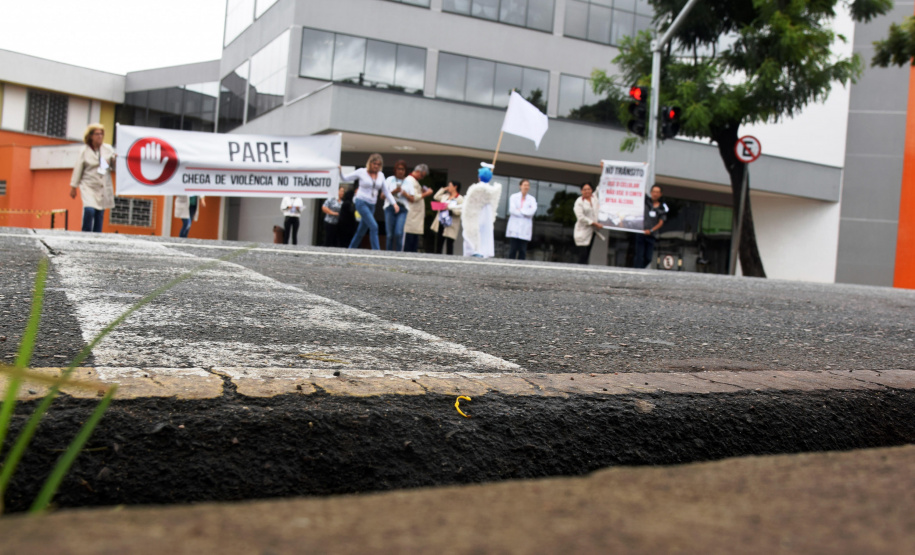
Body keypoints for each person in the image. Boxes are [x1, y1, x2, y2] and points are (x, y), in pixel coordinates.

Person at [341, 153, 398, 250]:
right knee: (374, 226)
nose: (376, 166)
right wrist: (339, 170)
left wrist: (394, 203)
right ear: (370, 163)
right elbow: (345, 178)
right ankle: (376, 251)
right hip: (361, 202)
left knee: (361, 230)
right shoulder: (362, 172)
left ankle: (351, 248)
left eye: (378, 164)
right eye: (374, 163)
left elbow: (386, 191)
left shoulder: (381, 175)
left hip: (372, 204)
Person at [69, 123, 116, 232]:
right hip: (89, 185)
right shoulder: (84, 150)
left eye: (101, 134)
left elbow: (113, 167)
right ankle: (85, 233)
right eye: (97, 134)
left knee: (99, 214)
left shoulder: (108, 149)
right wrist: (73, 186)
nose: (100, 136)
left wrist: (114, 160)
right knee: (90, 210)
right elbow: (78, 168)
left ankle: (97, 237)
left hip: (103, 185)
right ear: (90, 136)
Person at [462, 164, 502, 258]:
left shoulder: (476, 188)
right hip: (487, 216)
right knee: (485, 233)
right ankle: (484, 252)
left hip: (476, 215)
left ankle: (473, 250)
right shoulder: (493, 190)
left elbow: (468, 203)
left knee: (473, 232)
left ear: (479, 177)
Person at [633, 184, 669, 268]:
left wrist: (651, 230)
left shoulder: (662, 207)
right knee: (639, 255)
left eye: (657, 192)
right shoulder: (645, 202)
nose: (655, 194)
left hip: (651, 235)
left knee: (648, 257)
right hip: (641, 232)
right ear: (651, 192)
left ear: (660, 194)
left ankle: (640, 269)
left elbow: (661, 222)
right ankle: (636, 271)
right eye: (653, 192)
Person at [505, 179, 538, 260]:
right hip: (514, 228)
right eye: (524, 185)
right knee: (512, 250)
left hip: (525, 229)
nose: (526, 187)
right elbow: (512, 210)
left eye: (528, 185)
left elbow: (532, 211)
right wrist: (525, 212)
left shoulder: (532, 199)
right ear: (520, 186)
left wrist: (520, 210)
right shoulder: (513, 197)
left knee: (522, 251)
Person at [402, 164, 432, 253]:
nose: (422, 178)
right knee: (409, 241)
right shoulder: (409, 180)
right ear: (418, 171)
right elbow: (413, 197)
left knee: (414, 241)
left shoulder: (414, 181)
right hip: (411, 216)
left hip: (415, 216)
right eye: (422, 175)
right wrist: (426, 194)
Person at [573, 181, 603, 264]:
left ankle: (584, 272)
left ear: (591, 190)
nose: (587, 191)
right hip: (582, 231)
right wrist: (594, 223)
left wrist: (604, 170)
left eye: (589, 189)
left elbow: (601, 186)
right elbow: (580, 217)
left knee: (587, 253)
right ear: (581, 191)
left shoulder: (594, 198)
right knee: (582, 254)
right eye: (584, 189)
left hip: (591, 231)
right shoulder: (579, 202)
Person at [430, 180, 463, 255]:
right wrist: (443, 189)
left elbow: (460, 210)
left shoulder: (460, 198)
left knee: (449, 244)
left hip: (451, 224)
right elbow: (436, 197)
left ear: (455, 187)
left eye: (450, 186)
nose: (449, 187)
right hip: (441, 222)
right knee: (439, 243)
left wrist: (450, 209)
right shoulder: (445, 196)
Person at [383, 160, 410, 251]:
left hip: (402, 208)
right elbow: (382, 196)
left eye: (402, 169)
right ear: (395, 170)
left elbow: (413, 199)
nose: (401, 171)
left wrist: (404, 193)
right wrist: (394, 191)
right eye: (399, 169)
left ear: (405, 170)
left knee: (399, 233)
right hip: (390, 207)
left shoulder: (408, 181)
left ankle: (399, 253)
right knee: (390, 234)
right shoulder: (389, 180)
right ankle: (389, 254)